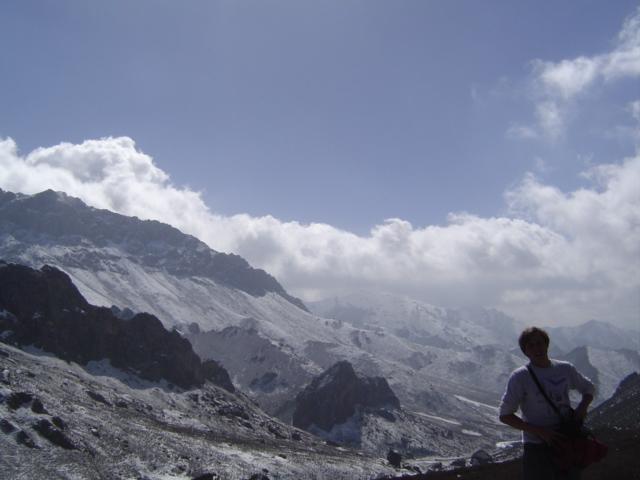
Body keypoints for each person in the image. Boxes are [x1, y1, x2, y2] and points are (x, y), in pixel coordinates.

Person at [499, 326, 595, 480]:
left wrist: (582, 408)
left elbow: (588, 388)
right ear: (525, 351)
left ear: (547, 344)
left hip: (567, 441)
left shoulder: (565, 369)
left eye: (539, 343)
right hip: (537, 447)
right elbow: (505, 415)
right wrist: (540, 432)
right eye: (531, 345)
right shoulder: (520, 377)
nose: (537, 348)